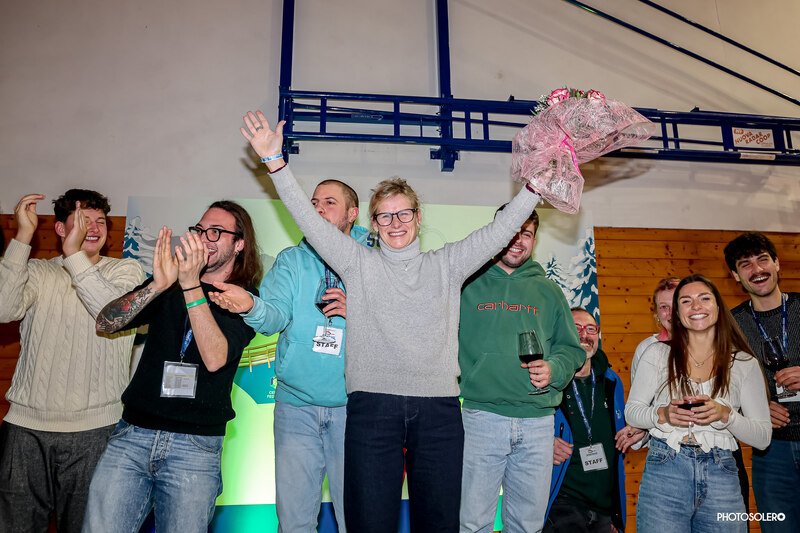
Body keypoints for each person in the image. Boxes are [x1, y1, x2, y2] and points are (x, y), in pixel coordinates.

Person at [241, 110, 544, 533]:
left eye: (404, 214)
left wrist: (535, 186)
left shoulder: (449, 264)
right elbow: (309, 220)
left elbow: (499, 231)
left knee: (438, 524)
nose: (395, 223)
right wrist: (275, 162)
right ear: (374, 224)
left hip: (438, 410)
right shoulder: (357, 262)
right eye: (385, 216)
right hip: (371, 409)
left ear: (418, 218)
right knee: (368, 523)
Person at [82, 201, 260, 533]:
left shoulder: (243, 298)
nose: (203, 238)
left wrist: (191, 285)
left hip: (195, 447)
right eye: (200, 229)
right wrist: (157, 286)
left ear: (239, 244)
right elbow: (106, 323)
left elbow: (214, 357)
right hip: (133, 435)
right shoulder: (171, 282)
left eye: (216, 232)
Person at [209, 180, 374, 532]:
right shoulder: (292, 261)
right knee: (295, 520)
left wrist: (359, 310)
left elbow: (396, 324)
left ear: (352, 214)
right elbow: (274, 318)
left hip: (356, 407)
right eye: (313, 202)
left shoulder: (374, 259)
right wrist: (251, 305)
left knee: (359, 518)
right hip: (295, 409)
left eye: (329, 202)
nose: (318, 208)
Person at [0, 191, 144, 533]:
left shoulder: (126, 271)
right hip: (25, 428)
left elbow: (113, 316)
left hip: (97, 429)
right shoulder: (37, 270)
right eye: (82, 221)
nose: (93, 228)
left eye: (100, 222)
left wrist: (74, 255)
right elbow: (4, 309)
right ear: (61, 229)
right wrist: (23, 236)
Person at [457, 206, 585, 533]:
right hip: (481, 417)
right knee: (473, 523)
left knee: (528, 526)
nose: (518, 241)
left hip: (538, 421)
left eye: (526, 234)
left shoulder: (549, 291)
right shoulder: (466, 284)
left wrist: (554, 369)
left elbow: (572, 350)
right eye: (512, 232)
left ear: (534, 240)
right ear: (496, 234)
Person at [625, 274, 771, 533]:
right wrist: (663, 414)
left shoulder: (743, 363)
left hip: (722, 471)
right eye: (686, 301)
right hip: (665, 467)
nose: (696, 306)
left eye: (704, 298)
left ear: (718, 307)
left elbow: (762, 438)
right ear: (677, 314)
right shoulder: (657, 354)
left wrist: (727, 415)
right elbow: (632, 412)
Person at [724, 232, 800, 532]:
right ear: (735, 275)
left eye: (763, 260)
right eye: (745, 264)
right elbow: (723, 388)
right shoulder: (730, 326)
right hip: (771, 450)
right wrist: (754, 408)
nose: (757, 270)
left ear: (777, 263)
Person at [545, 309, 645, 533]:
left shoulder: (611, 380)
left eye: (591, 329)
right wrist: (543, 443)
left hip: (603, 508)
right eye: (576, 328)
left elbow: (619, 440)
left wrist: (614, 513)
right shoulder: (546, 378)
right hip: (560, 503)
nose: (584, 335)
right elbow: (517, 429)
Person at [631, 277, 680, 380]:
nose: (671, 312)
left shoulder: (706, 345)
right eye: (664, 307)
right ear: (656, 313)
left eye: (676, 304)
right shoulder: (645, 348)